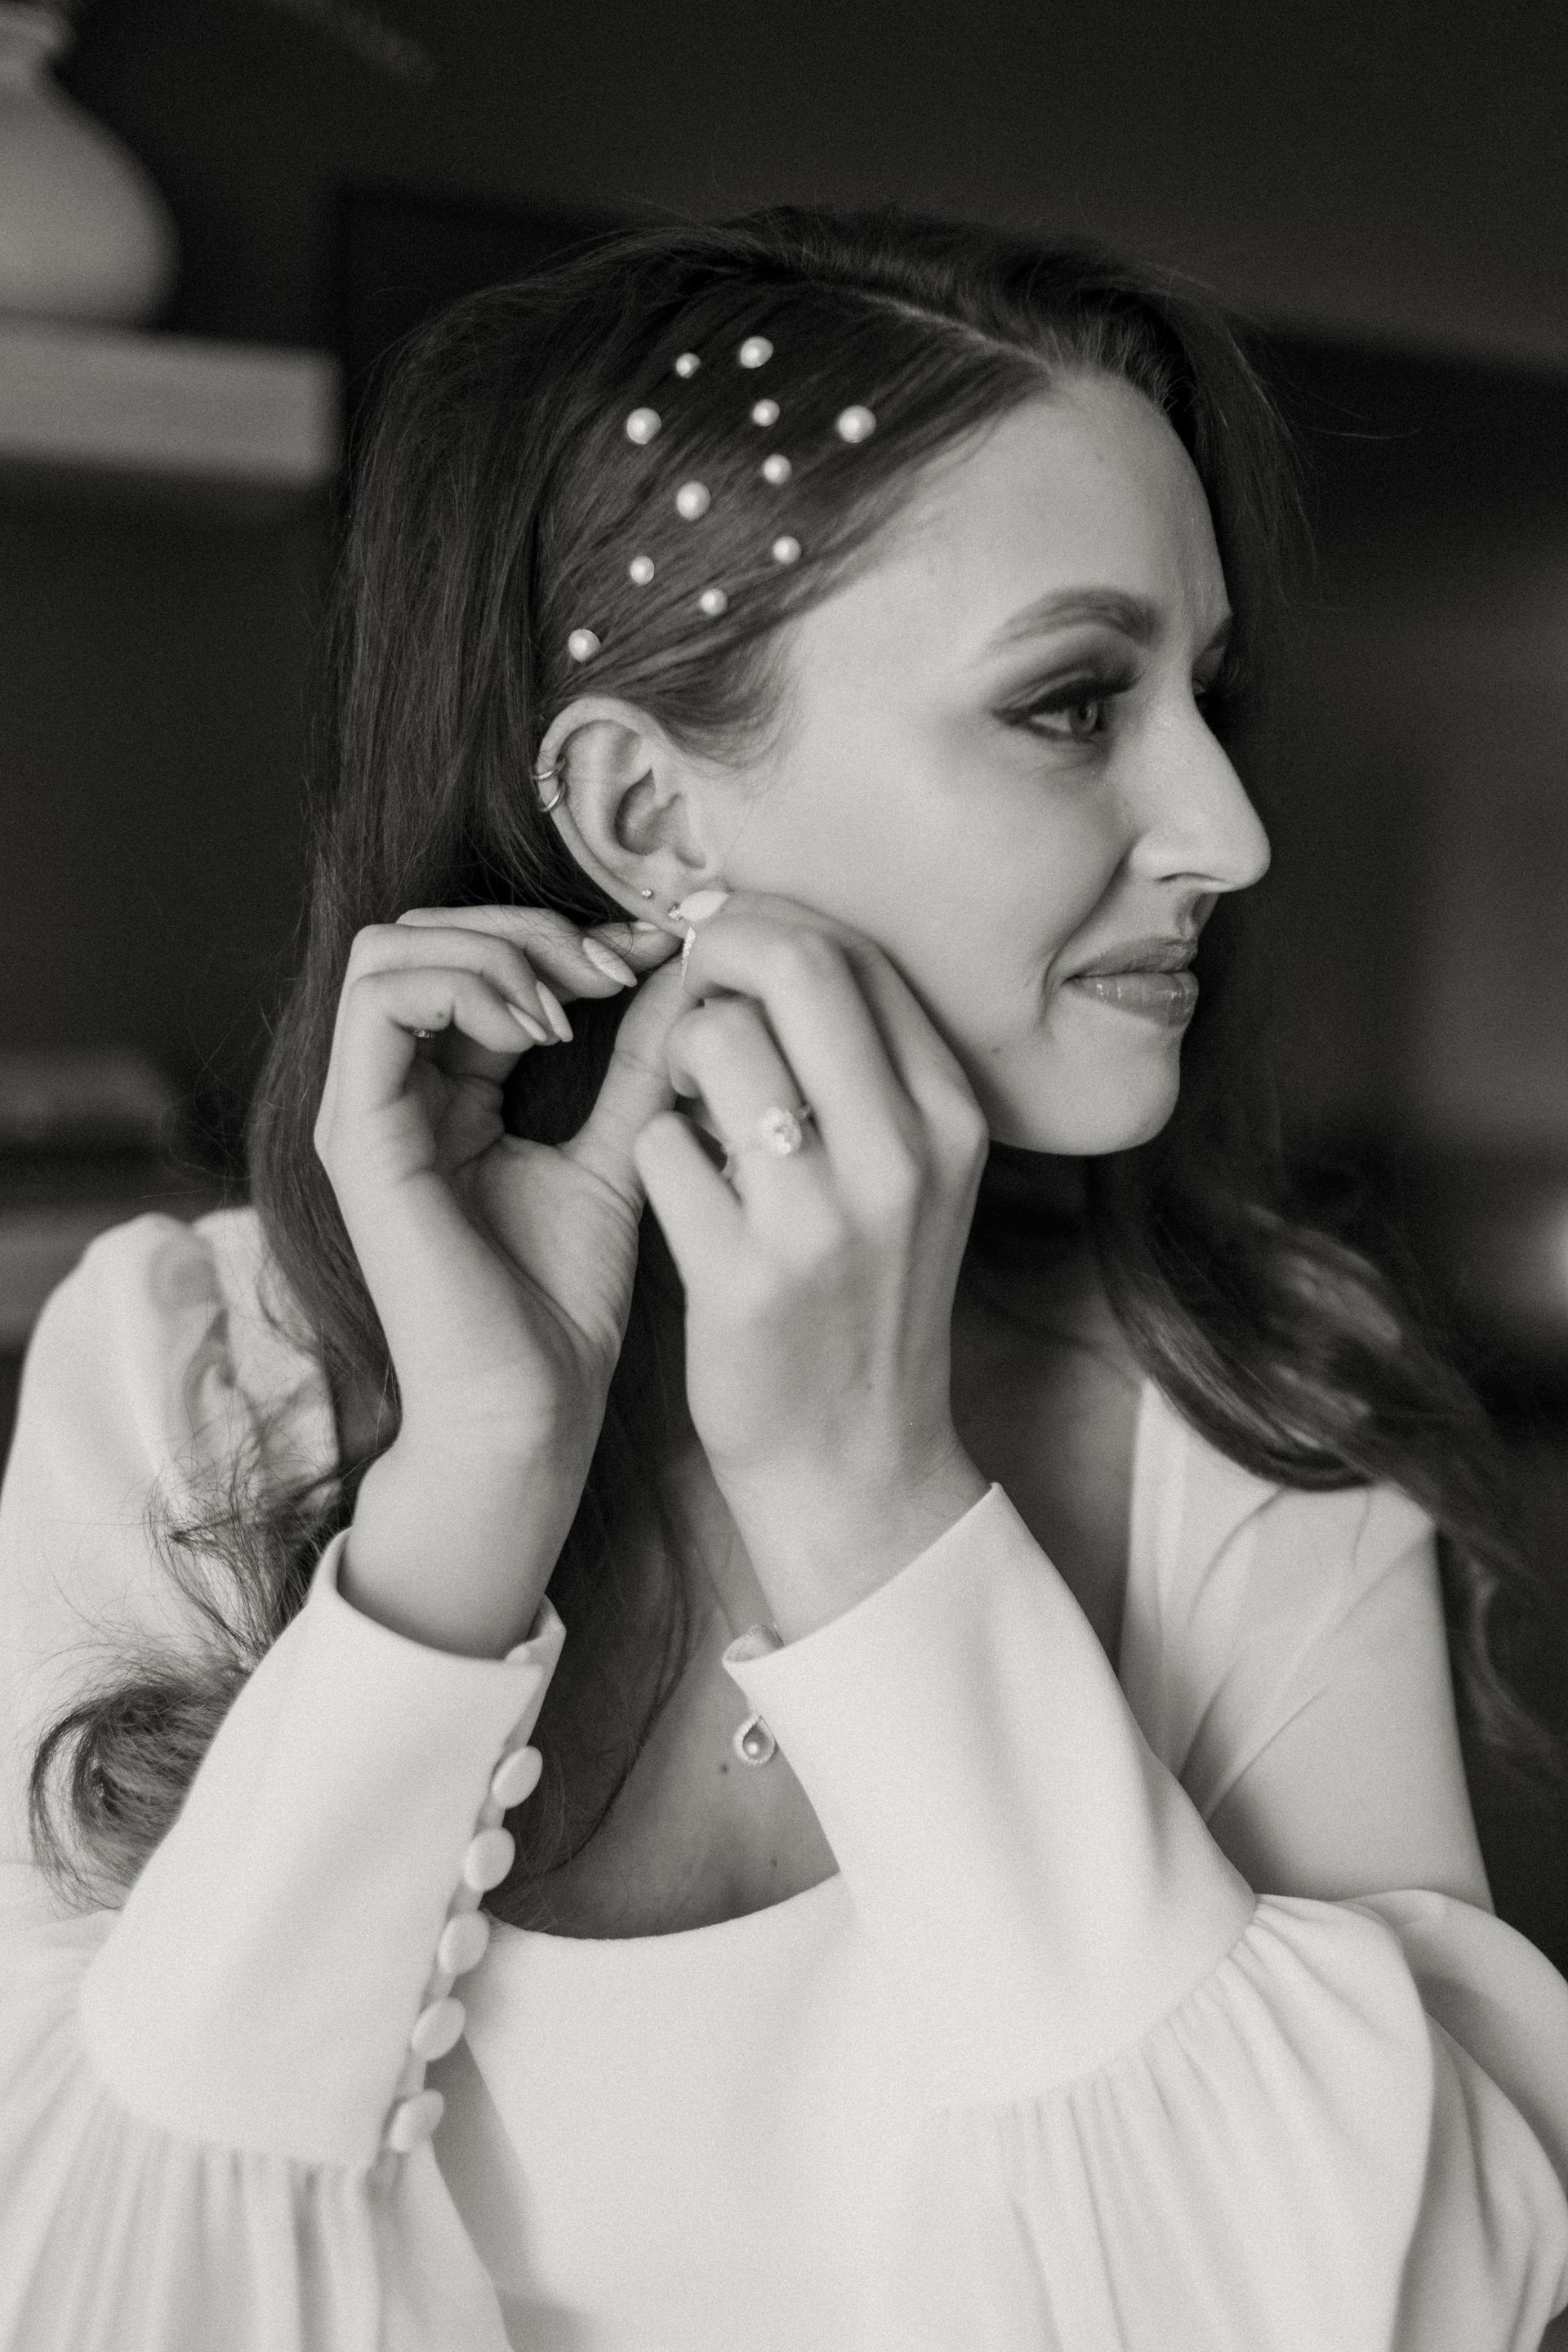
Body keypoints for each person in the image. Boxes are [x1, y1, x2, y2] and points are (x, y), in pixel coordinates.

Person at [2, 205, 1566, 2352]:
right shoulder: (183, 1373)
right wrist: (465, 1497)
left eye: (1208, 695)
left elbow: (1436, 2317)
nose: (1228, 826)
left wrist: (876, 1511)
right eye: (1072, 699)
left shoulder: (1258, 1424)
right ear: (644, 813)